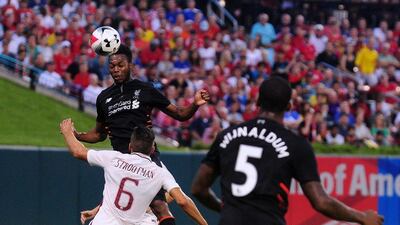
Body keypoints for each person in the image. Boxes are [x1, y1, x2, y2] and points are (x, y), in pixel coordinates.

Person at [191, 76, 384, 225]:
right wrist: (362, 217)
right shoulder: (296, 144)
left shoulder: (227, 135)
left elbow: (198, 189)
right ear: (289, 106)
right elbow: (321, 202)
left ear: (257, 102)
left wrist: (223, 208)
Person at [73, 44, 210, 225]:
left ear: (131, 65)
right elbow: (99, 135)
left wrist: (195, 103)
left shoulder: (145, 90)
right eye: (112, 66)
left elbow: (179, 114)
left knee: (161, 205)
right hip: (121, 160)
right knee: (121, 202)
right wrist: (77, 135)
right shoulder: (103, 98)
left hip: (146, 156)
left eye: (120, 65)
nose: (116, 69)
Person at [60, 119, 207, 225]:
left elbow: (78, 152)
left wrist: (68, 132)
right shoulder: (160, 171)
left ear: (130, 146)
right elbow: (181, 200)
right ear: (153, 149)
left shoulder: (114, 158)